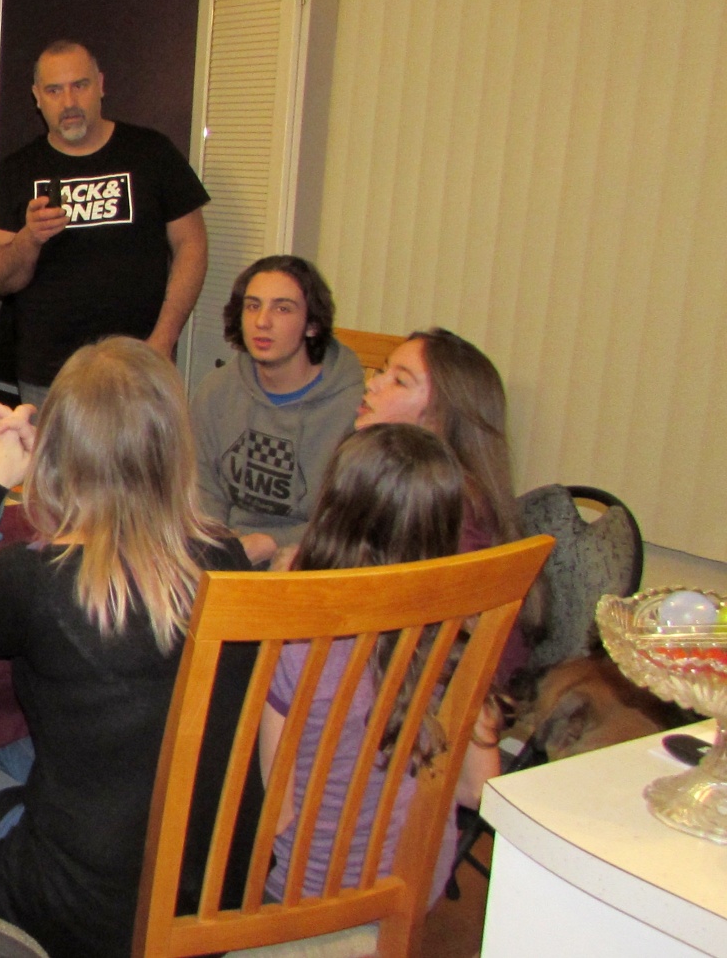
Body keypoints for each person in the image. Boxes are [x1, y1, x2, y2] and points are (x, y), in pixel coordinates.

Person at [0, 337, 259, 958]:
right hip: (210, 902)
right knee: (24, 749)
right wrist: (58, 446)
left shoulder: (36, 580)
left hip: (83, 918)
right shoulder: (225, 559)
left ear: (62, 450)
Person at [258, 424, 503, 904]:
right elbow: (478, 790)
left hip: (301, 901)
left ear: (332, 515)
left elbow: (277, 813)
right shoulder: (456, 643)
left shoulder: (297, 648)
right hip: (409, 890)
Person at [0, 40, 210, 405]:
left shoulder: (151, 152)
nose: (69, 102)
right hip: (49, 376)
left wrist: (163, 340)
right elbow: (0, 279)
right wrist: (29, 238)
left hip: (138, 369)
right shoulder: (18, 170)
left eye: (80, 85)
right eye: (54, 90)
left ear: (101, 85)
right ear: (37, 97)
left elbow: (192, 245)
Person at [190, 255, 364, 563]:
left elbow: (351, 520)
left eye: (282, 309)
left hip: (311, 557)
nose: (262, 321)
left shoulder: (354, 409)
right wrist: (217, 547)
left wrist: (273, 543)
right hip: (225, 553)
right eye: (252, 306)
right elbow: (201, 490)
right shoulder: (216, 391)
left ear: (312, 325)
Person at [352, 329, 520, 555]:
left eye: (400, 381)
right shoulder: (379, 473)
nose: (372, 383)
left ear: (442, 415)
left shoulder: (456, 509)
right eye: (382, 371)